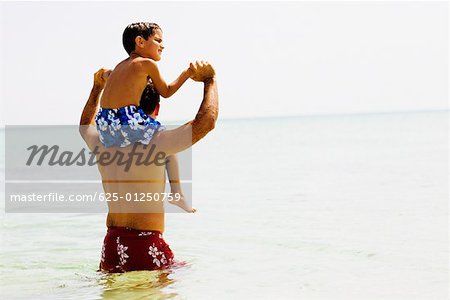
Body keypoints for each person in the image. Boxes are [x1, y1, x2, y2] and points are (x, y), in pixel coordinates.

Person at [79, 61, 218, 272]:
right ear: (157, 108)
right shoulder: (155, 142)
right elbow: (206, 121)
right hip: (144, 244)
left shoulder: (103, 144)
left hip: (112, 244)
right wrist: (210, 80)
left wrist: (97, 88)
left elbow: (85, 127)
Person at [95, 22, 192, 148]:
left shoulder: (120, 66)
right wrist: (187, 73)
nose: (163, 46)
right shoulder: (147, 64)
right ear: (140, 42)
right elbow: (166, 91)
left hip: (103, 124)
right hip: (126, 121)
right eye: (158, 40)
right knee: (165, 139)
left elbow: (108, 75)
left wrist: (102, 74)